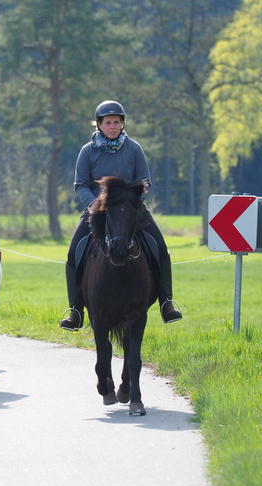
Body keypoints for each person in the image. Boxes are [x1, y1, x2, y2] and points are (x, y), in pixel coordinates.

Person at [59, 100, 182, 331]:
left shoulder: (134, 148)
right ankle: (75, 310)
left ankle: (166, 301)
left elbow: (145, 182)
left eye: (117, 122)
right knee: (74, 251)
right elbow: (80, 185)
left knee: (160, 247)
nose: (113, 126)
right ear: (99, 125)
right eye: (108, 123)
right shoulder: (87, 151)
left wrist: (131, 203)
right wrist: (97, 205)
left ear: (122, 124)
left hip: (130, 212)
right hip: (96, 212)